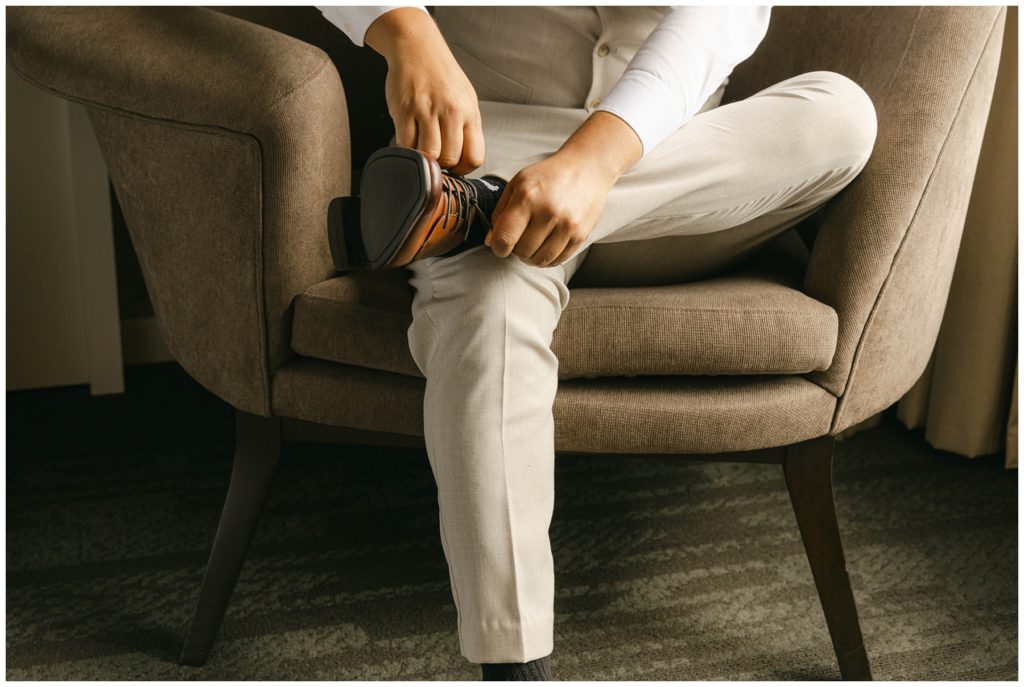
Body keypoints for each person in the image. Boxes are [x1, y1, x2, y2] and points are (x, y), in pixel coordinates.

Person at [319, 5, 877, 680]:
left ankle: (480, 212)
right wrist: (402, 28)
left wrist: (592, 164)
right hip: (491, 140)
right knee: (488, 313)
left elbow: (718, 16)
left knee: (841, 115)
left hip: (673, 166)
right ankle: (515, 666)